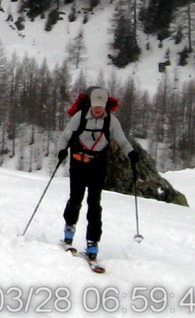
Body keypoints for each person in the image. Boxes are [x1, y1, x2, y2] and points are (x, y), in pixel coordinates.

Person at [58, 85, 139, 261]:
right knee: (75, 198)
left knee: (94, 204)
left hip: (98, 165)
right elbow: (65, 137)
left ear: (105, 107)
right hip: (78, 163)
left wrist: (131, 153)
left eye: (101, 107)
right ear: (91, 105)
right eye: (95, 106)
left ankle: (92, 241)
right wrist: (62, 151)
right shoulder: (80, 117)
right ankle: (69, 229)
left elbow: (122, 141)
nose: (97, 110)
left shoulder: (111, 121)